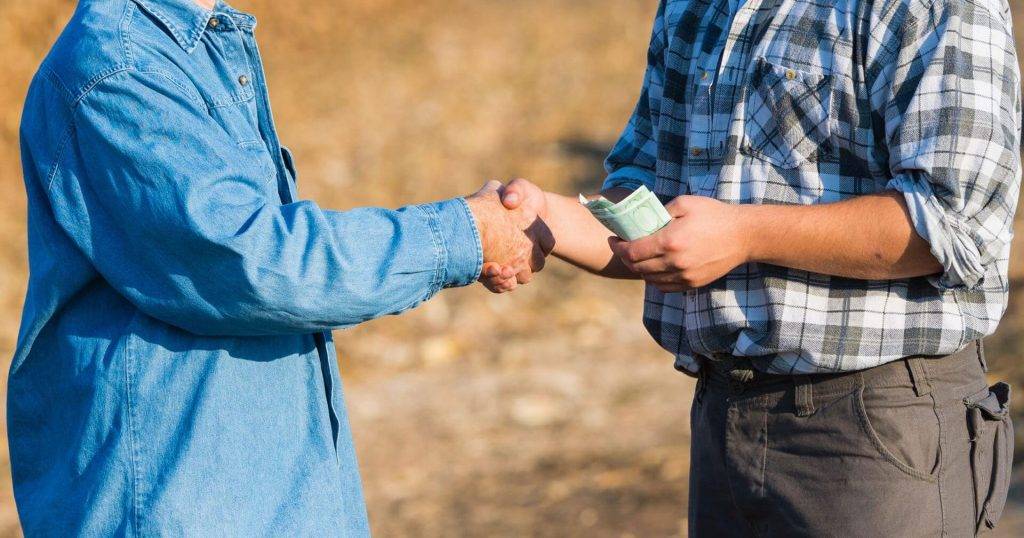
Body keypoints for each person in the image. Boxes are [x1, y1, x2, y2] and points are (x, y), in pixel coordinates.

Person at [10, 0, 547, 534]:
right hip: (174, 507)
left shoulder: (187, 49)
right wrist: (466, 234)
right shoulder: (120, 68)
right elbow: (257, 264)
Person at [486, 0, 1020, 534]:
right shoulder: (692, 8)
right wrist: (542, 217)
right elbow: (651, 209)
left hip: (879, 433)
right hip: (722, 419)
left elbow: (952, 227)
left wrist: (744, 236)